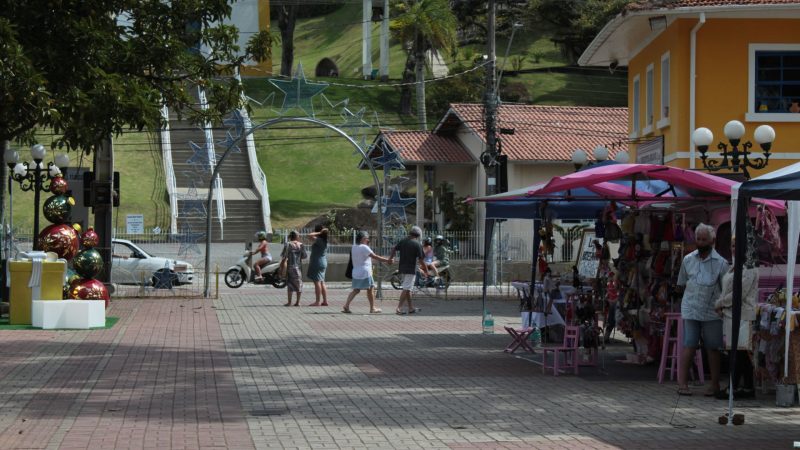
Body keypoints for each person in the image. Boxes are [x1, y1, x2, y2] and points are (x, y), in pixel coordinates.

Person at [676, 223, 729, 396]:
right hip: (691, 308)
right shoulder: (688, 259)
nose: (700, 242)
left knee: (713, 347)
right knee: (689, 345)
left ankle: (714, 384)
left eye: (704, 239)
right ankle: (682, 384)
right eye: (698, 239)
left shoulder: (721, 263)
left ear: (712, 241)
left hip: (712, 311)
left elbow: (725, 289)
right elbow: (682, 283)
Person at [714, 240, 759, 400]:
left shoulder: (750, 267)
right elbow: (726, 289)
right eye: (732, 245)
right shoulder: (732, 265)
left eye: (737, 245)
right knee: (738, 352)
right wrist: (721, 306)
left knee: (739, 353)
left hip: (742, 315)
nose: (734, 248)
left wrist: (719, 303)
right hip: (729, 314)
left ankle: (733, 388)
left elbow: (739, 293)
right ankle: (747, 387)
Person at [342, 231, 391, 314]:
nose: (368, 241)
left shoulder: (354, 247)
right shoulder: (364, 247)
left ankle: (346, 305)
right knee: (370, 289)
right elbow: (375, 256)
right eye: (367, 239)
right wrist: (387, 260)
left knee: (356, 290)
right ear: (363, 239)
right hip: (365, 272)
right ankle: (372, 308)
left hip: (356, 272)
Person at [388, 226, 427, 315]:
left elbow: (394, 248)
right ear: (418, 235)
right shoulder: (417, 244)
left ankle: (410, 308)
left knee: (408, 288)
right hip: (411, 269)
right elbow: (421, 260)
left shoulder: (403, 241)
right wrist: (426, 270)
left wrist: (390, 258)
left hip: (402, 268)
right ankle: (399, 308)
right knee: (406, 288)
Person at [281, 231, 307, 306]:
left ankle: (289, 302)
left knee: (290, 284)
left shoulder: (288, 244)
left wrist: (281, 267)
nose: (299, 236)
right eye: (298, 235)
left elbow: (284, 256)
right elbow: (304, 256)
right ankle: (298, 302)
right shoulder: (301, 245)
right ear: (296, 236)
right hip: (298, 267)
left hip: (290, 267)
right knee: (299, 283)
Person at [306, 225, 329, 306]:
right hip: (323, 262)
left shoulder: (319, 240)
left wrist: (319, 232)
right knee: (322, 282)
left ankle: (317, 301)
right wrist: (322, 232)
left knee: (317, 282)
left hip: (317, 262)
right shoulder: (324, 240)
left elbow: (309, 235)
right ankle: (325, 301)